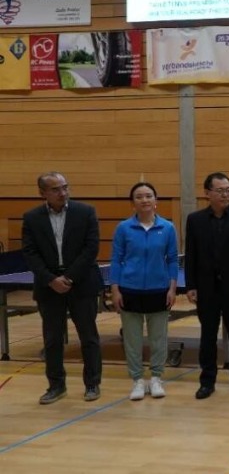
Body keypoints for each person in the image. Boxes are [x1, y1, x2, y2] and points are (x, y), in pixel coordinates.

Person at [22, 172, 103, 405]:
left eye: (65, 187)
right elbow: (30, 253)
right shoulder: (32, 218)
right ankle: (56, 385)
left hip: (81, 283)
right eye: (56, 189)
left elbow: (91, 248)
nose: (63, 193)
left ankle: (92, 383)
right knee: (52, 339)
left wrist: (68, 278)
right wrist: (51, 280)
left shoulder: (86, 212)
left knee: (88, 337)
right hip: (48, 287)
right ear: (42, 193)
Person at [185, 172, 229, 399]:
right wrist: (191, 285)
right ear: (207, 193)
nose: (226, 194)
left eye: (228, 190)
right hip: (206, 288)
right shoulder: (195, 220)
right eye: (220, 190)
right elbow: (191, 255)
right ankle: (207, 381)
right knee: (207, 335)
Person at [110, 182, 180, 401]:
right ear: (133, 203)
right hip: (129, 290)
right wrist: (115, 289)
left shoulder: (167, 228)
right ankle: (137, 380)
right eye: (139, 196)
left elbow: (173, 260)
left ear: (155, 201)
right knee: (133, 340)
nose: (144, 200)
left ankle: (157, 377)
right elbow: (116, 260)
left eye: (149, 196)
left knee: (159, 338)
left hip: (159, 290)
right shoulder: (123, 228)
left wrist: (172, 288)